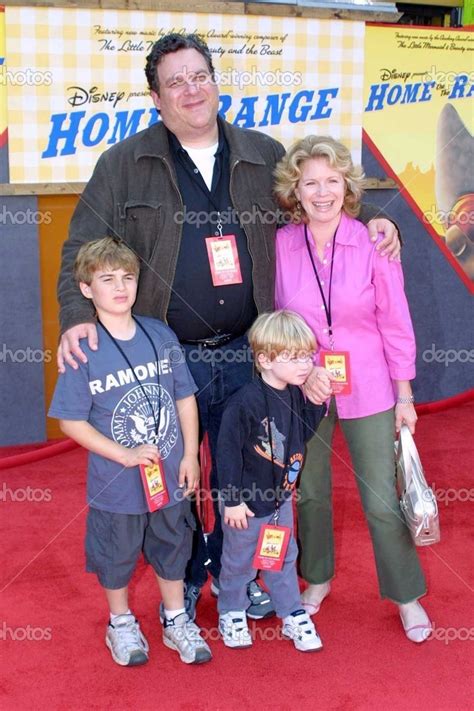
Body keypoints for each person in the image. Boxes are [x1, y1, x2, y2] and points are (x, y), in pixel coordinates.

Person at [56, 32, 401, 621]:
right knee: (180, 474)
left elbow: (317, 193)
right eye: (176, 82)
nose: (191, 90)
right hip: (169, 357)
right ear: (156, 99)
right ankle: (189, 575)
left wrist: (372, 219)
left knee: (258, 466)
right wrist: (74, 318)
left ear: (215, 82)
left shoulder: (262, 152)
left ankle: (251, 574)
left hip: (252, 353)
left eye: (200, 76)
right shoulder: (122, 164)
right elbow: (78, 250)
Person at [273, 135, 432, 644]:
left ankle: (406, 595)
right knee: (310, 492)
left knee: (383, 499)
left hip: (370, 386)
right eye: (310, 182)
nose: (322, 192)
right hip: (305, 388)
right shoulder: (280, 244)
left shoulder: (375, 241)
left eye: (332, 181)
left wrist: (405, 397)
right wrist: (299, 370)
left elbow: (397, 324)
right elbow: (277, 319)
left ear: (348, 186)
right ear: (295, 190)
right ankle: (316, 579)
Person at [48, 237, 212, 666]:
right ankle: (120, 622)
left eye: (127, 277)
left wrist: (191, 455)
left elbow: (184, 397)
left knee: (174, 543)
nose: (120, 287)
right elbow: (70, 421)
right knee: (116, 553)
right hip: (117, 482)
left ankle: (176, 618)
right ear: (86, 289)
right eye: (107, 279)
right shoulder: (83, 349)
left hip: (170, 474)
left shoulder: (160, 334)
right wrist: (121, 455)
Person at [217, 310, 326, 651]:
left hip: (280, 501)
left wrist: (318, 404)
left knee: (283, 557)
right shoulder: (244, 402)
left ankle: (291, 612)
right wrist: (232, 499)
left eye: (307, 356)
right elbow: (227, 454)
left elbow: (301, 435)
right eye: (293, 358)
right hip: (246, 504)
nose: (304, 365)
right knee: (238, 561)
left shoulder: (294, 393)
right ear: (264, 359)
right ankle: (231, 611)